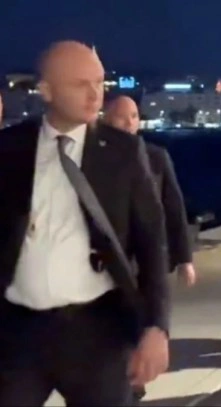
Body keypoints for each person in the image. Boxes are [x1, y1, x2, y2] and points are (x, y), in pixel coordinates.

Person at [0, 40, 169, 405]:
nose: (95, 94)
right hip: (17, 334)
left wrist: (156, 326)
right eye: (81, 84)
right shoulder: (10, 148)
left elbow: (152, 241)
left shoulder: (124, 152)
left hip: (97, 334)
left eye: (99, 82)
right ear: (46, 90)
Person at [103, 95, 196, 401]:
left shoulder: (156, 157)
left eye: (133, 116)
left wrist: (184, 258)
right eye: (121, 117)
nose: (128, 123)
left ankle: (134, 385)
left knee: (142, 325)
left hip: (146, 264)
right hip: (108, 265)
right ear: (106, 120)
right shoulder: (94, 160)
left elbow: (174, 208)